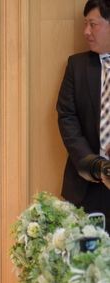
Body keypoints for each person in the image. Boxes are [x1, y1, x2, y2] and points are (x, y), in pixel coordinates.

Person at [57, 0, 110, 232]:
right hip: (85, 184)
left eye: (93, 24)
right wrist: (93, 164)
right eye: (84, 24)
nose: (86, 31)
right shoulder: (76, 65)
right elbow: (66, 116)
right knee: (84, 252)